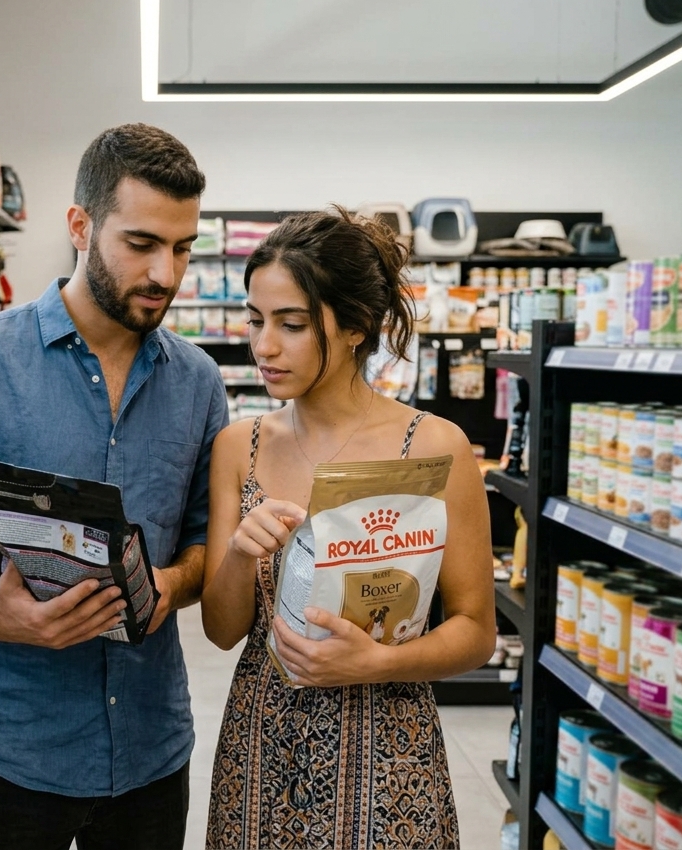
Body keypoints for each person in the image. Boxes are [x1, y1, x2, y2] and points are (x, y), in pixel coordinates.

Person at [0, 123, 229, 850]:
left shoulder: (199, 384)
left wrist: (173, 583)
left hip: (150, 750)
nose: (166, 274)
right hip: (10, 747)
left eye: (182, 248)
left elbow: (206, 537)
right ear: (80, 226)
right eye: (141, 244)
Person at [201, 207, 496, 850]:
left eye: (292, 324)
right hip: (263, 747)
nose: (264, 346)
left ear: (358, 327)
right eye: (256, 320)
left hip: (388, 752)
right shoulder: (239, 447)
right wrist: (234, 555)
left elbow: (476, 632)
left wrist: (379, 661)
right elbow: (223, 632)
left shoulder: (434, 448)